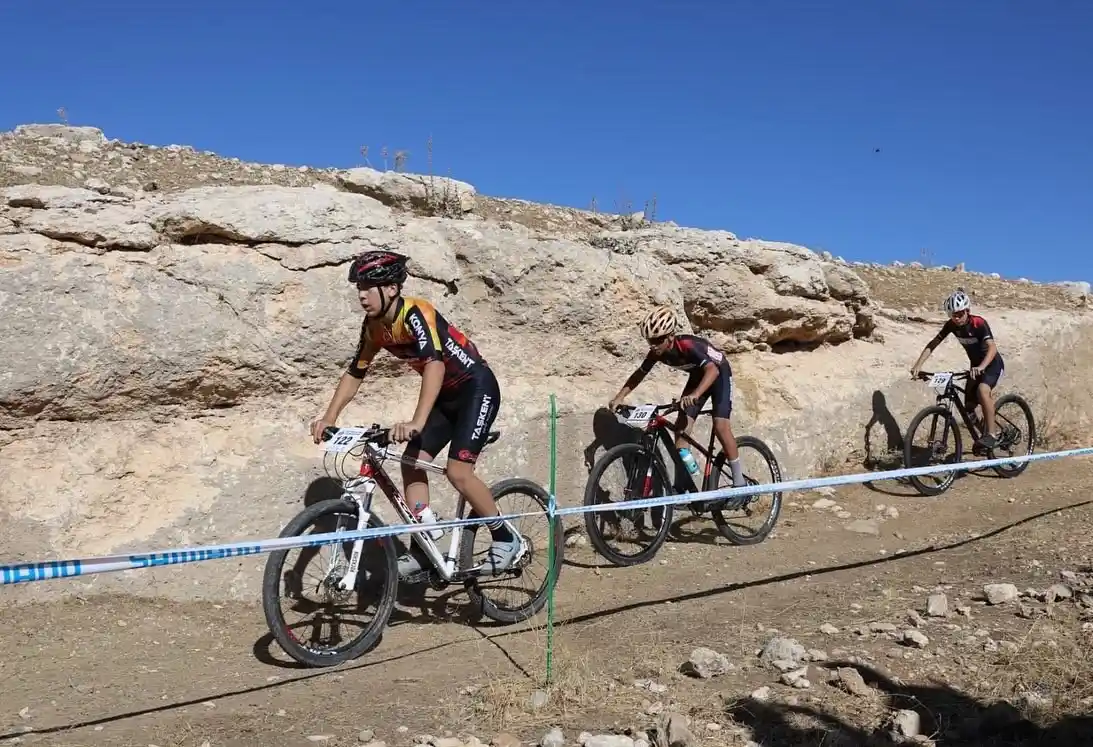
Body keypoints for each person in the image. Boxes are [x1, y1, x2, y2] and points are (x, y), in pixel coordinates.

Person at [309, 248, 522, 578]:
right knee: (410, 462)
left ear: (391, 288)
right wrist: (330, 417)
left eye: (368, 287)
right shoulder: (374, 327)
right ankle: (425, 549)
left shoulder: (416, 313)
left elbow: (434, 364)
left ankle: (506, 537)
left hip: (475, 388)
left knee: (458, 472)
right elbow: (355, 373)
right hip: (446, 397)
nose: (362, 296)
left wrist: (417, 421)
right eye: (359, 289)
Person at [608, 305, 746, 492]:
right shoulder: (655, 353)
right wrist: (619, 397)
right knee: (681, 431)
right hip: (698, 376)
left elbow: (712, 370)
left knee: (721, 425)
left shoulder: (688, 345)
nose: (653, 345)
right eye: (650, 341)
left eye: (658, 340)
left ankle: (740, 484)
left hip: (718, 374)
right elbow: (639, 374)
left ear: (670, 337)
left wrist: (695, 395)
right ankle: (686, 482)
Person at [910, 288, 1004, 450]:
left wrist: (981, 366)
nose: (957, 318)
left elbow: (992, 348)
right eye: (953, 315)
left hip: (992, 364)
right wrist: (918, 365)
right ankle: (984, 438)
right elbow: (933, 343)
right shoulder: (952, 325)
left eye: (960, 314)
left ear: (967, 311)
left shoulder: (978, 323)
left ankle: (992, 435)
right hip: (975, 368)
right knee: (968, 409)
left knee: (982, 390)